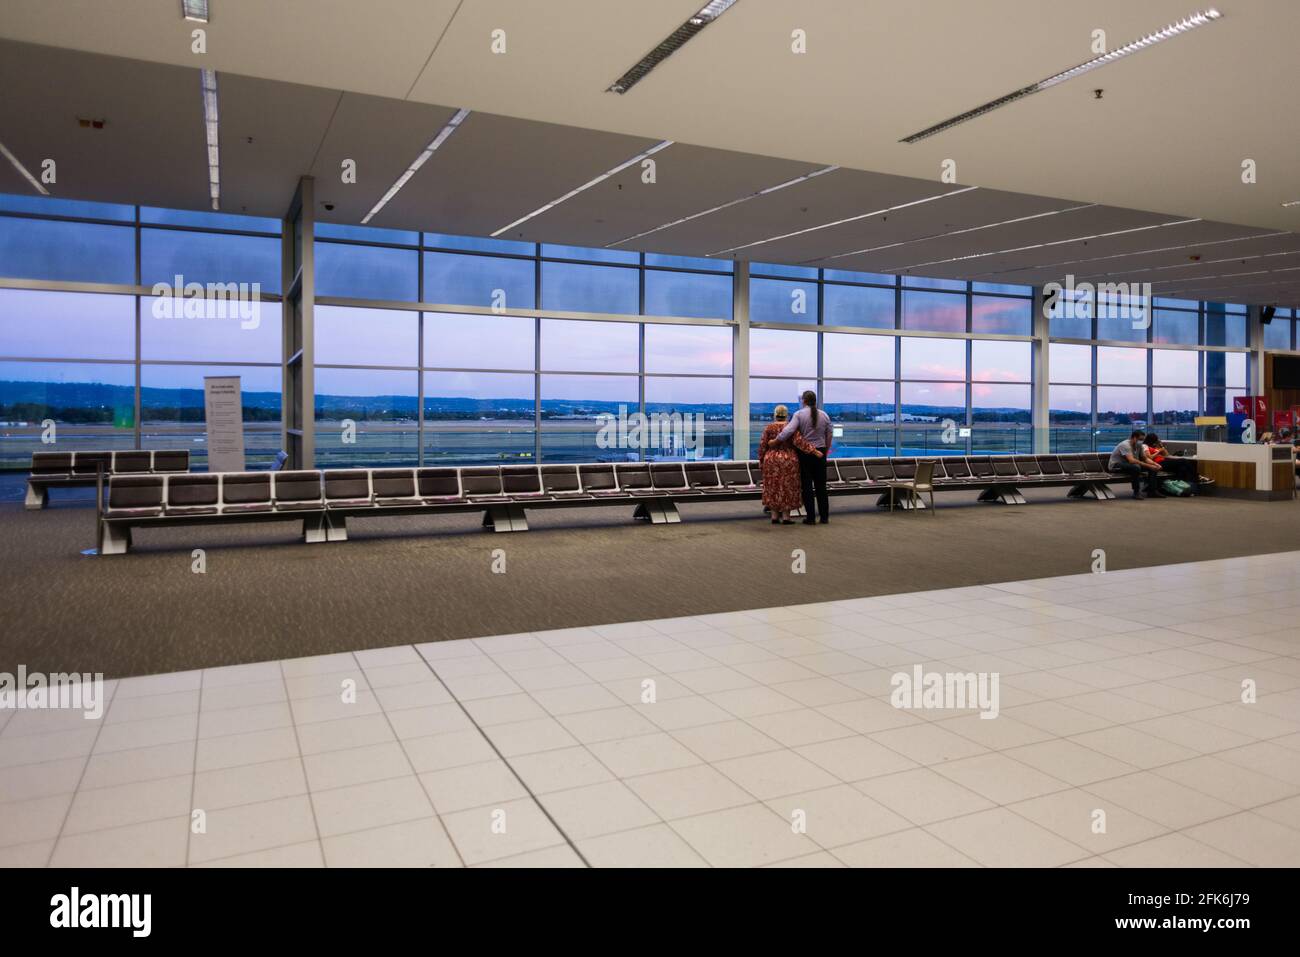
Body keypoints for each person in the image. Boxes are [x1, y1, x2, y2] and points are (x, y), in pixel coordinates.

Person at [777, 390, 833, 524]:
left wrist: (776, 440)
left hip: (805, 453)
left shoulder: (799, 414)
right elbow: (829, 434)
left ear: (804, 401)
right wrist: (826, 449)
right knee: (821, 486)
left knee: (807, 486)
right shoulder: (824, 415)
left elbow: (789, 431)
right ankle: (824, 517)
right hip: (820, 452)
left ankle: (811, 517)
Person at [759, 405, 820, 524]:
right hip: (789, 460)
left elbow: (762, 446)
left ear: (775, 414)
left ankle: (774, 516)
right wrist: (814, 450)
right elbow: (799, 442)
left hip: (771, 460)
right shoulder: (790, 428)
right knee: (788, 487)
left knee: (773, 486)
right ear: (786, 415)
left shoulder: (768, 428)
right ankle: (786, 517)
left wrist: (761, 461)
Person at [1108, 428, 1161, 499]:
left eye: (1142, 440)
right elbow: (1131, 460)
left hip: (1130, 465)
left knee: (1153, 468)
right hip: (1116, 465)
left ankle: (1152, 491)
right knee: (1136, 467)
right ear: (1134, 438)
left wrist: (1155, 464)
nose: (1141, 442)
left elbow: (1145, 458)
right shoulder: (1125, 445)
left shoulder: (1139, 445)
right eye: (1140, 439)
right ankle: (1136, 492)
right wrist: (1149, 466)